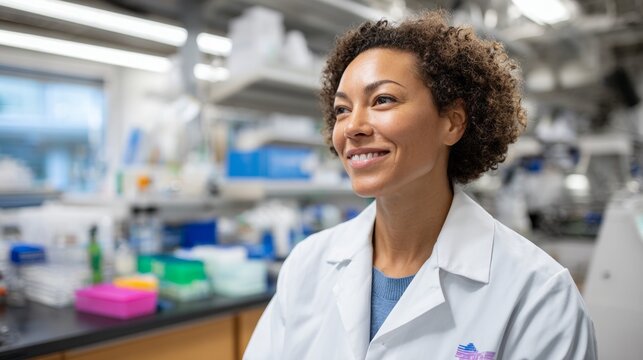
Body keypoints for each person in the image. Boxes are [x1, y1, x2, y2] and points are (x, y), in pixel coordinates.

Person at [244, 10, 596, 360]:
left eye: (383, 100)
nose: (352, 127)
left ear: (453, 123)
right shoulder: (307, 266)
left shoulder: (537, 294)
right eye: (342, 110)